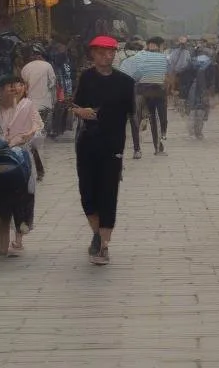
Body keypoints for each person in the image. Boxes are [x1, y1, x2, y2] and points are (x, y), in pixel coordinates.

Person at [72, 36, 135, 266]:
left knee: (108, 194)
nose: (105, 56)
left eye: (110, 52)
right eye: (100, 52)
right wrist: (82, 112)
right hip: (87, 143)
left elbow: (132, 113)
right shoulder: (86, 78)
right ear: (93, 54)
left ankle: (104, 246)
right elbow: (75, 106)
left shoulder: (125, 82)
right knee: (88, 194)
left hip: (112, 144)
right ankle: (97, 234)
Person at [0, 75, 43, 257]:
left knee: (23, 198)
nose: (14, 89)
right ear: (0, 89)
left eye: (17, 85)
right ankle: (3, 245)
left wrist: (26, 135)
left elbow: (37, 127)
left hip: (21, 158)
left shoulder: (27, 106)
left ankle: (19, 238)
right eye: (10, 86)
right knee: (0, 202)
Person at [120, 37, 169, 155]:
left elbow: (127, 74)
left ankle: (137, 150)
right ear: (160, 46)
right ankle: (158, 147)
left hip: (139, 90)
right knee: (156, 119)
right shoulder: (163, 58)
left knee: (136, 119)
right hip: (156, 91)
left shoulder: (134, 57)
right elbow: (167, 75)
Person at [20, 44, 56, 180]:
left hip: (30, 105)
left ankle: (37, 167)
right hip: (45, 104)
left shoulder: (25, 68)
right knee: (40, 135)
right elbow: (52, 83)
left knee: (34, 135)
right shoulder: (47, 66)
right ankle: (40, 166)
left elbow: (23, 87)